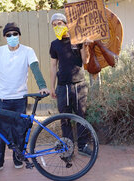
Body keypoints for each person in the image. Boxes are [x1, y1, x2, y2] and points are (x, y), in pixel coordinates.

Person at [0, 22, 50, 173]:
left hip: (20, 98)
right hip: (2, 98)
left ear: (19, 35)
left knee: (19, 131)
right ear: (4, 37)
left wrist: (42, 86)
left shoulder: (28, 51)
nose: (12, 37)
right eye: (9, 35)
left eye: (15, 34)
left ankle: (18, 158)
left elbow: (35, 68)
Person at [49, 13, 92, 157]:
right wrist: (51, 87)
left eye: (60, 23)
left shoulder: (77, 40)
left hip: (79, 85)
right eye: (54, 25)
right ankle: (67, 148)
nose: (57, 26)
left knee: (81, 116)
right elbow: (53, 66)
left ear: (66, 24)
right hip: (62, 86)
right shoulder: (54, 44)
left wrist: (85, 45)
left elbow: (85, 60)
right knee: (64, 118)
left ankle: (83, 146)